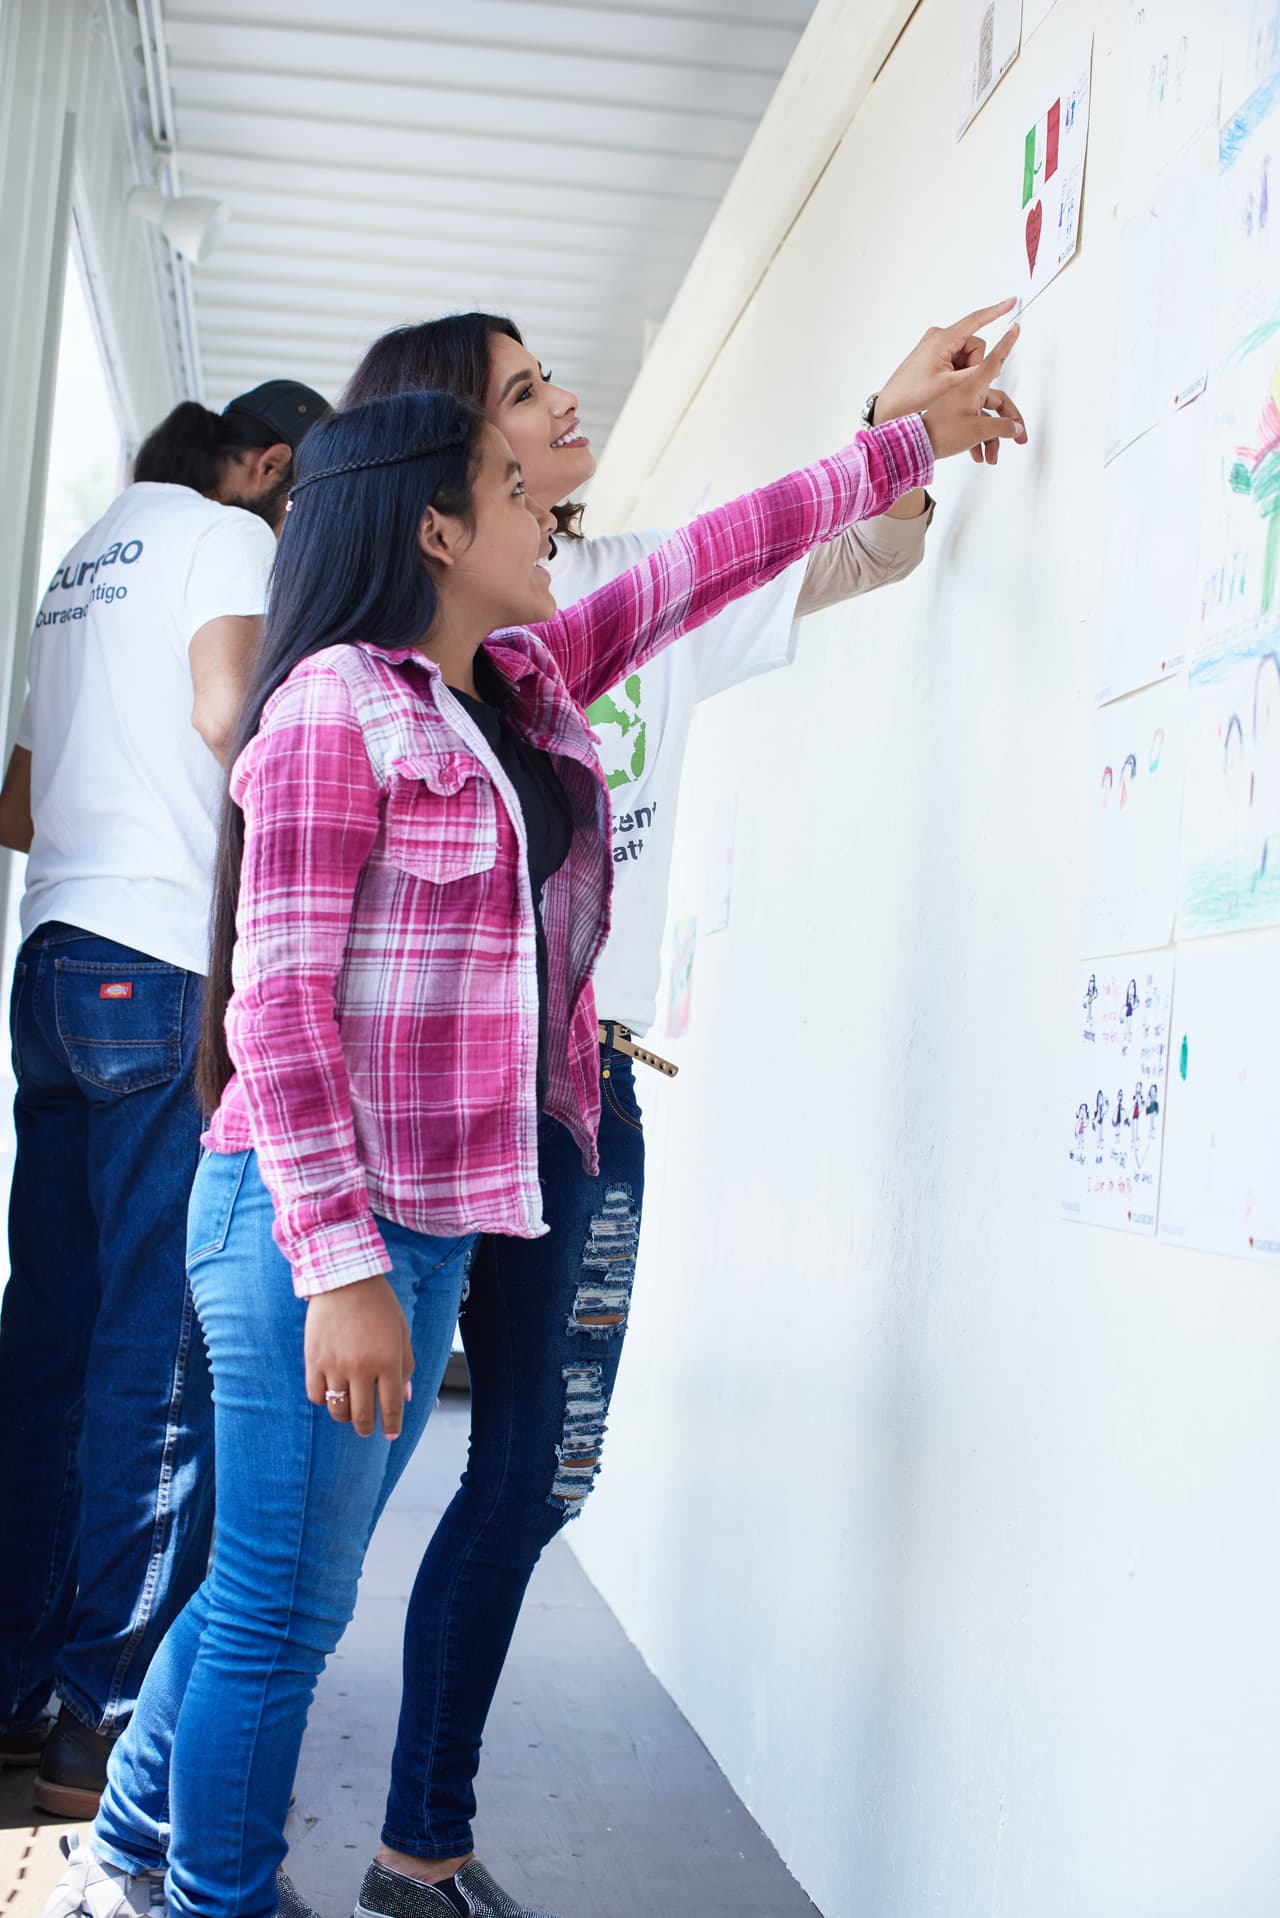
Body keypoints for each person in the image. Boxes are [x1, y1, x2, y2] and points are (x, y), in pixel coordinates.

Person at [45, 338, 1021, 1918]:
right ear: (436, 529)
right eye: (513, 489)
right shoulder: (327, 715)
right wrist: (348, 1267)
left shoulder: (515, 686)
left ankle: (130, 1850)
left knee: (272, 1590)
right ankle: (209, 1895)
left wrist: (892, 450)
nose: (540, 514)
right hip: (311, 1230)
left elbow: (710, 563)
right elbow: (273, 1018)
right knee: (287, 1613)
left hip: (421, 1225)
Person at [336, 303, 1026, 1918]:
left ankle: (412, 1837)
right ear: (453, 461)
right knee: (407, 1497)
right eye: (523, 392)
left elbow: (837, 554)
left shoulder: (619, 585)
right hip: (456, 1097)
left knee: (538, 1474)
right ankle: (310, 1830)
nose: (566, 401)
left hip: (591, 1090)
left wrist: (894, 423)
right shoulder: (424, 655)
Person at [0, 379, 329, 1817]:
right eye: (302, 500)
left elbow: (17, 801)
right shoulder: (221, 535)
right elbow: (224, 708)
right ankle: (99, 1714)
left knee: (47, 1338)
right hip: (154, 959)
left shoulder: (83, 562)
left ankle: (15, 1682)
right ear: (262, 464)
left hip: (52, 957)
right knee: (159, 1344)